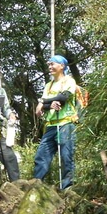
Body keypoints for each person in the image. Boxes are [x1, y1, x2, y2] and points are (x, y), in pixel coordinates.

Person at [34, 55, 78, 189]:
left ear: (62, 66)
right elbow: (46, 107)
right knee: (41, 155)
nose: (50, 67)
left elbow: (62, 98)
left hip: (66, 123)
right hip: (51, 125)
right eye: (49, 64)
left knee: (66, 156)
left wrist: (42, 102)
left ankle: (67, 188)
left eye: (52, 64)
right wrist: (47, 104)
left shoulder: (69, 81)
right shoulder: (48, 85)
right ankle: (36, 185)